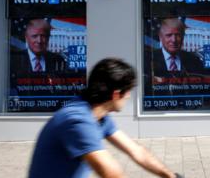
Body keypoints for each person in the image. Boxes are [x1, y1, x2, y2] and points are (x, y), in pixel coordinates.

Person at [28, 58, 179, 178]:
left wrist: (170, 175)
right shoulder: (77, 120)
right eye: (128, 92)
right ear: (116, 94)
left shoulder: (99, 116)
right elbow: (112, 174)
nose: (128, 97)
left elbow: (136, 151)